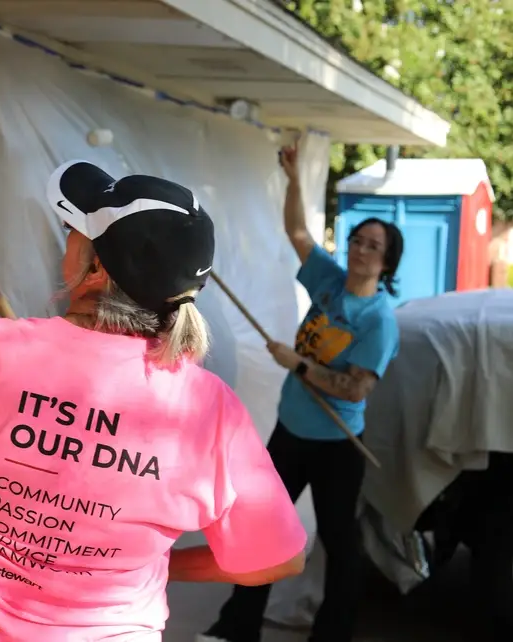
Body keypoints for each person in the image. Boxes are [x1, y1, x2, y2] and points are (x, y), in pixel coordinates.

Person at [0, 160, 308, 641]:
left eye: (74, 231)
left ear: (96, 268)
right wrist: (159, 566)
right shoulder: (210, 411)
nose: (66, 238)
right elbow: (278, 559)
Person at [199, 143, 404, 642]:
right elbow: (297, 232)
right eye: (357, 240)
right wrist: (293, 179)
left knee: (339, 544)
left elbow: (356, 390)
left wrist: (302, 367)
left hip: (336, 447)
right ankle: (237, 627)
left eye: (372, 246)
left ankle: (332, 633)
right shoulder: (331, 285)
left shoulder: (378, 320)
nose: (359, 249)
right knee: (261, 529)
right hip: (291, 433)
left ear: (386, 263)